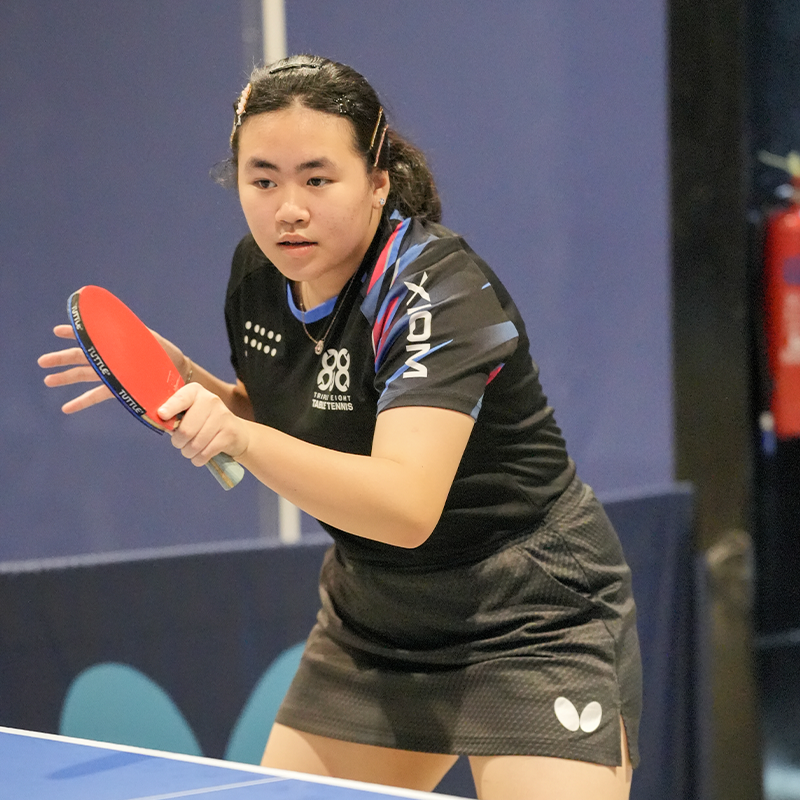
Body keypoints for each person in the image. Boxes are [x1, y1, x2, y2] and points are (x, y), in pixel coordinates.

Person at [39, 55, 641, 800]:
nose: (288, 209)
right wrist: (191, 384)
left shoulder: (434, 291)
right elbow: (302, 425)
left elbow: (404, 507)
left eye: (317, 180)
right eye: (263, 181)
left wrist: (239, 438)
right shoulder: (258, 277)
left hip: (528, 615)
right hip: (376, 617)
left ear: (378, 182)